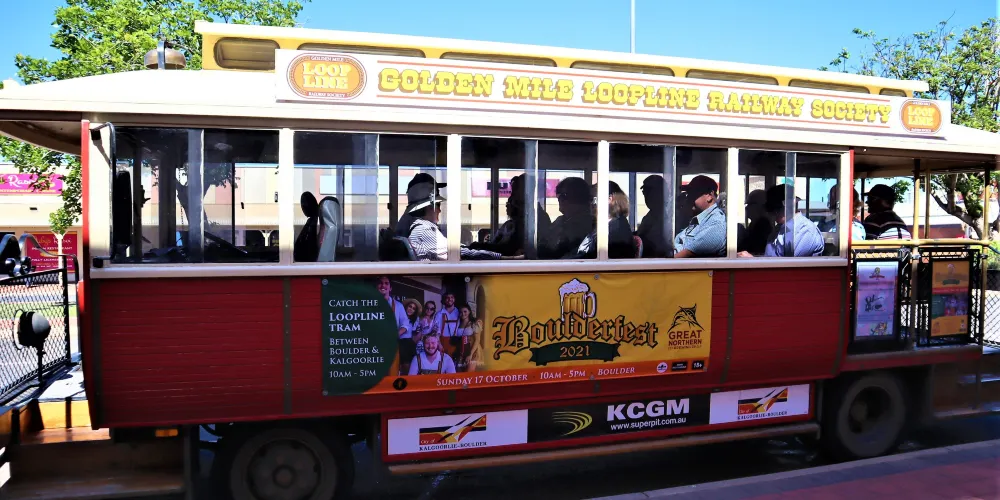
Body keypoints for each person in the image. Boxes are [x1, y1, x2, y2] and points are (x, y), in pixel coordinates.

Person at [403, 181, 504, 260]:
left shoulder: (422, 228)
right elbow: (456, 253)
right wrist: (500, 257)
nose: (439, 210)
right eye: (438, 205)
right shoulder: (424, 230)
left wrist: (471, 247)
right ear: (429, 207)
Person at [468, 174, 552, 256]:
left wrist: (480, 246)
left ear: (528, 192)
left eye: (515, 191)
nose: (511, 197)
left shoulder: (537, 218)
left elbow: (509, 248)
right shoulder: (515, 221)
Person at [740, 185, 824, 257]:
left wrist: (751, 259)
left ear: (788, 206)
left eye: (775, 208)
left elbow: (788, 266)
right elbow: (769, 258)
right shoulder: (779, 229)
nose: (772, 213)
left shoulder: (805, 230)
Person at [571, 183, 635, 259]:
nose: (589, 204)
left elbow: (597, 258)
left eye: (592, 199)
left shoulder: (618, 229)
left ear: (609, 200)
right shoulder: (600, 225)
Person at [538, 177, 595, 259]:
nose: (559, 199)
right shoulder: (560, 220)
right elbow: (544, 242)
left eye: (563, 196)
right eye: (558, 195)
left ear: (580, 197)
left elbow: (563, 253)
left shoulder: (588, 225)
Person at [674, 175, 726, 258]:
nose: (688, 198)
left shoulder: (716, 223)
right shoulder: (700, 220)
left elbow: (684, 256)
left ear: (709, 196)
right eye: (688, 194)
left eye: (693, 194)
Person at [395, 173, 444, 237]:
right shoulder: (423, 230)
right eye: (437, 204)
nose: (439, 210)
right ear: (425, 207)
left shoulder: (407, 222)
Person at [635, 175, 670, 257]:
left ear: (659, 193)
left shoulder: (668, 217)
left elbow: (653, 244)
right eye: (644, 192)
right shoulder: (651, 215)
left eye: (648, 192)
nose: (645, 196)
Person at [737, 189, 772, 256]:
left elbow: (755, 250)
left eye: (750, 204)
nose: (746, 208)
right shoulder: (754, 224)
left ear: (761, 206)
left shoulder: (763, 227)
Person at [398, 298, 422, 376]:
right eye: (410, 306)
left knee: (411, 368)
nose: (411, 309)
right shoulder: (399, 316)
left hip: (409, 344)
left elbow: (414, 336)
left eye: (413, 308)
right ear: (406, 307)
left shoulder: (415, 320)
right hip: (399, 342)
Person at [453, 303, 477, 371]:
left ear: (469, 311)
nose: (463, 314)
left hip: (472, 350)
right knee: (460, 374)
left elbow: (477, 340)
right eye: (461, 312)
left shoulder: (474, 323)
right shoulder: (458, 323)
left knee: (469, 374)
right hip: (461, 351)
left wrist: (471, 354)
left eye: (465, 311)